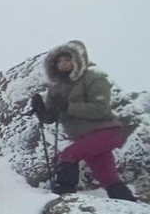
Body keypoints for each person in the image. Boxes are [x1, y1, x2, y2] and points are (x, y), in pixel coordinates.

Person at [30, 40, 137, 201]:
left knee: (68, 155)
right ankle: (129, 205)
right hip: (85, 138)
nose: (63, 63)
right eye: (59, 61)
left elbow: (100, 109)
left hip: (106, 132)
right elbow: (52, 117)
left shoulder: (94, 79)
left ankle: (64, 196)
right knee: (108, 179)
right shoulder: (56, 87)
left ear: (78, 60)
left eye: (68, 59)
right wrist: (41, 111)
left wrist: (68, 106)